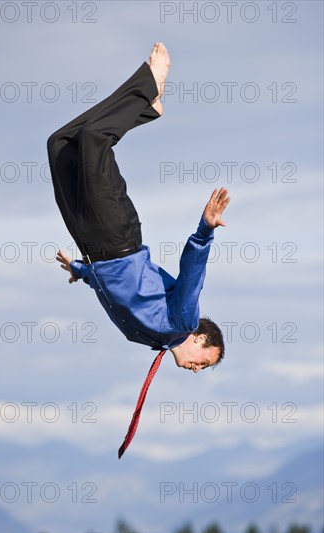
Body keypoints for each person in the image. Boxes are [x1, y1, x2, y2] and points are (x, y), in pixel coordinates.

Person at [47, 43, 231, 456]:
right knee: (95, 140)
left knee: (60, 145)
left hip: (93, 246)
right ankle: (149, 85)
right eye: (204, 361)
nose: (197, 370)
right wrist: (204, 230)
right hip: (117, 236)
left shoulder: (147, 336)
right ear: (199, 337)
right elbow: (192, 273)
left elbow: (120, 290)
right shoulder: (182, 319)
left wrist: (80, 270)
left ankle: (147, 109)